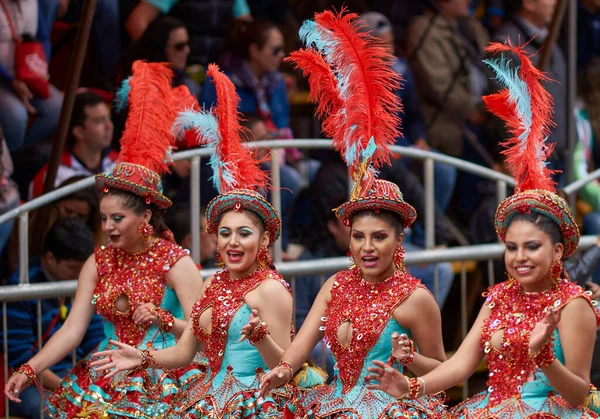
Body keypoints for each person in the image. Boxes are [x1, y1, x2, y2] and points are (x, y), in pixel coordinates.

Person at [366, 43, 600, 419]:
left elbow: (580, 394)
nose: (519, 257)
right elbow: (459, 366)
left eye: (532, 247)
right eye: (512, 247)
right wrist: (410, 383)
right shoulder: (498, 298)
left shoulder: (573, 306)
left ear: (558, 252)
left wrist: (544, 359)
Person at [259, 10, 447, 418]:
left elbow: (443, 372)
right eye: (359, 236)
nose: (366, 247)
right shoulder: (336, 286)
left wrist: (410, 363)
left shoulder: (417, 299)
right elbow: (299, 348)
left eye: (379, 237)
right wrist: (282, 371)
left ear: (399, 240)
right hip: (336, 405)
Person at [91, 64, 298, 417]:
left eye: (244, 234)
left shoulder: (272, 290)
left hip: (256, 406)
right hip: (208, 401)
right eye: (225, 233)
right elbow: (185, 353)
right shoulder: (213, 285)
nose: (233, 243)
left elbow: (285, 371)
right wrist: (140, 357)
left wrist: (261, 338)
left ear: (263, 241)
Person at [3, 61, 205, 418]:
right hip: (108, 377)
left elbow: (205, 332)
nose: (108, 227)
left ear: (145, 218)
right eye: (104, 218)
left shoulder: (175, 261)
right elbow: (73, 328)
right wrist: (30, 368)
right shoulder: (98, 261)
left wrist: (164, 322)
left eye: (118, 218)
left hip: (168, 377)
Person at [3, 218, 104, 419]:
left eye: (82, 267)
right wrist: (71, 389)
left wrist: (91, 382)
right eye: (73, 268)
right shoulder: (20, 288)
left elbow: (96, 341)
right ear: (50, 258)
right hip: (31, 381)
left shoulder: (85, 281)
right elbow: (21, 357)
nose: (79, 274)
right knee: (60, 412)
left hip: (75, 373)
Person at [0, 0, 63, 151]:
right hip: (3, 78)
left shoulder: (33, 3)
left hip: (28, 73)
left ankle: (22, 154)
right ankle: (8, 160)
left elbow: (43, 37)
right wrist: (12, 81)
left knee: (57, 108)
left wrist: (40, 68)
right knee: (16, 116)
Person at [29, 92, 117, 199]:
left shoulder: (120, 163)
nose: (109, 125)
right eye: (99, 121)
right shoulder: (53, 176)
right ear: (79, 132)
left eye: (109, 118)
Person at [123, 16, 201, 98]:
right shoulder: (136, 88)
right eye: (179, 46)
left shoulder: (189, 86)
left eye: (187, 44)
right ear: (161, 48)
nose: (187, 50)